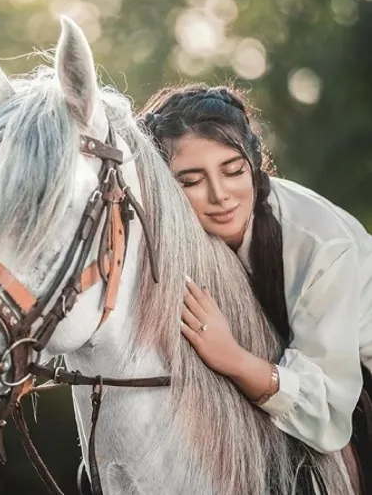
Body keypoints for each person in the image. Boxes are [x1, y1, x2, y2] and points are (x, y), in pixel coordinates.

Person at [137, 83, 372, 494]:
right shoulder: (174, 238)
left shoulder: (319, 243)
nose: (220, 196)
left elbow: (328, 411)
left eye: (233, 171)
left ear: (255, 164)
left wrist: (232, 358)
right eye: (191, 181)